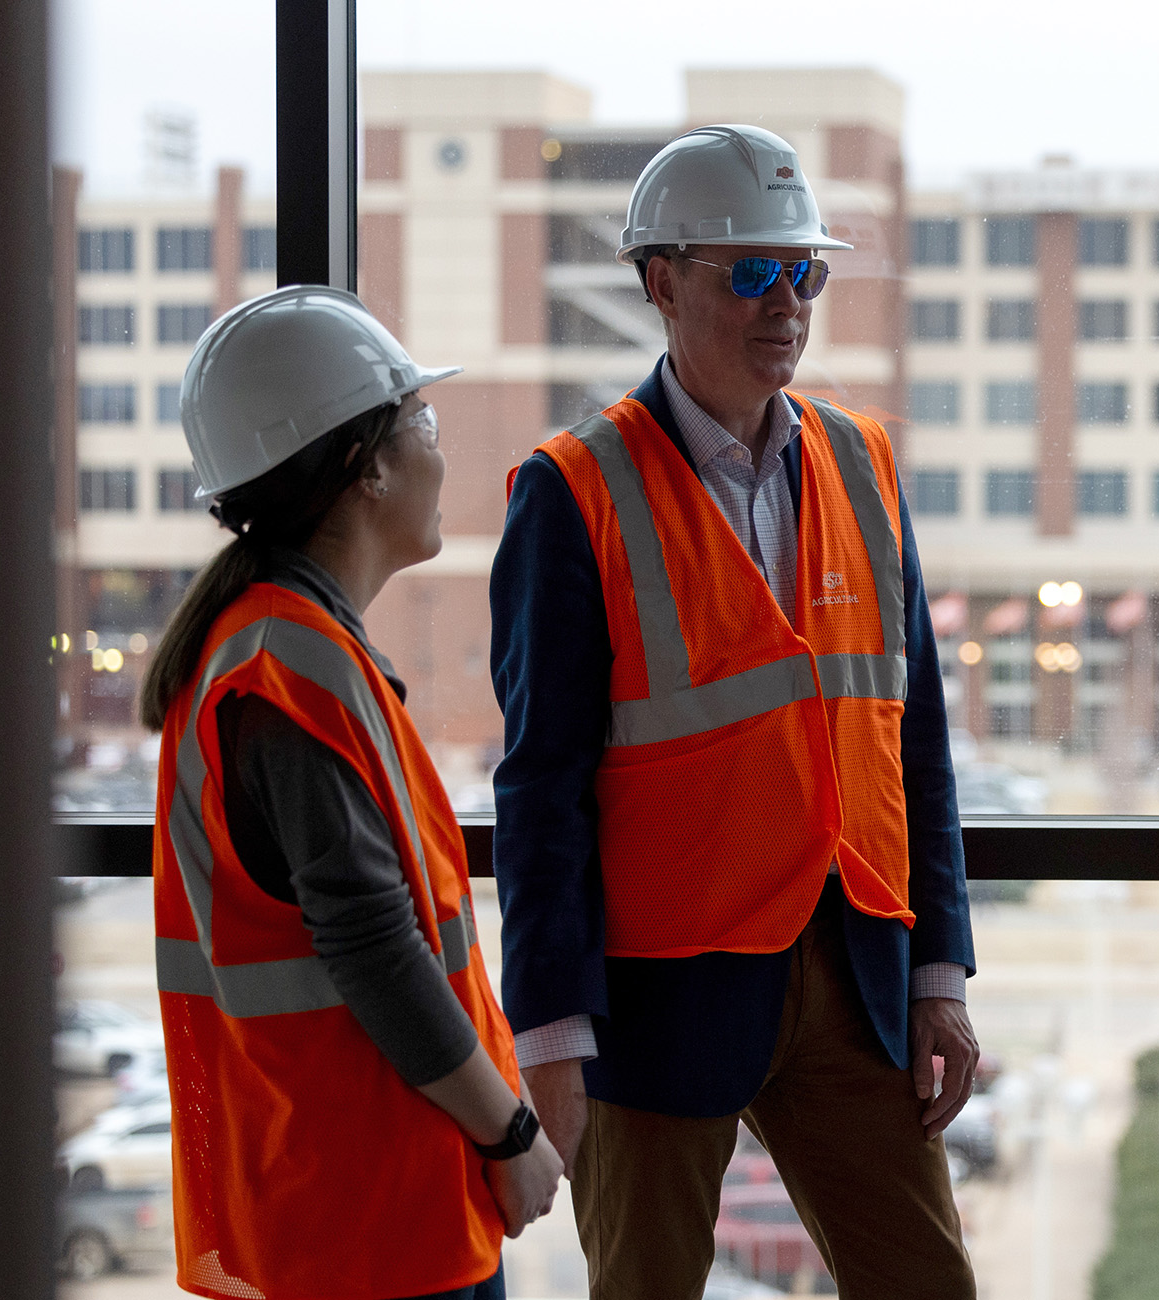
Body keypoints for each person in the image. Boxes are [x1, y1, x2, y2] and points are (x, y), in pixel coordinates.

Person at [490, 123, 980, 1297]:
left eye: (801, 271)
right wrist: (550, 1034)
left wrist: (940, 975)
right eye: (748, 273)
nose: (786, 304)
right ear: (661, 283)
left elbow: (912, 740)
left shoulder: (863, 463)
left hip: (854, 965)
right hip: (660, 995)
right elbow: (539, 785)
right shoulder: (574, 490)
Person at [143, 287, 563, 1300]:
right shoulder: (289, 667)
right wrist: (508, 1130)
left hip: (344, 1190)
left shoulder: (284, 646)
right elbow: (375, 947)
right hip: (367, 1210)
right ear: (363, 466)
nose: (440, 447)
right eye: (418, 420)